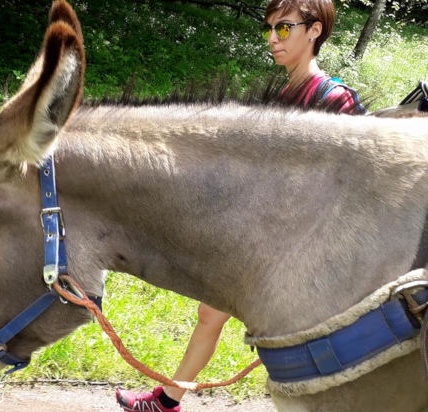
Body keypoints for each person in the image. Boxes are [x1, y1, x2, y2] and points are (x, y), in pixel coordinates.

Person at [115, 1, 364, 411]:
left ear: (314, 31)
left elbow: (348, 186)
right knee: (210, 315)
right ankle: (168, 399)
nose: (272, 38)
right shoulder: (284, 94)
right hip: (262, 241)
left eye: (283, 29)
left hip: (302, 251)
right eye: (269, 29)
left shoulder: (333, 98)